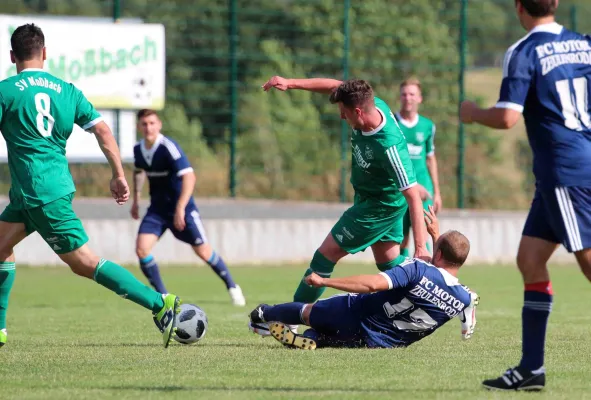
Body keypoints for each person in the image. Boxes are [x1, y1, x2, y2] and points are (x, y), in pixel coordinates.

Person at [0, 24, 181, 349]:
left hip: (40, 196)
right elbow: (103, 132)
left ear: (12, 56)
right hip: (37, 193)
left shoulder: (6, 91)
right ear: (44, 54)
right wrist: (118, 175)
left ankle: (160, 303)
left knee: (84, 262)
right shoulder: (67, 91)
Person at [460, 0, 591, 391]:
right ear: (554, 4)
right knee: (530, 260)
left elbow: (506, 117)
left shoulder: (524, 50)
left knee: (588, 265)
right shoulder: (583, 43)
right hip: (564, 170)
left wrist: (470, 112)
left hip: (565, 171)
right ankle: (531, 368)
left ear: (519, 7)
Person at [250, 77, 430, 336]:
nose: (341, 117)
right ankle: (443, 288)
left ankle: (286, 318)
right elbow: (337, 84)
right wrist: (290, 83)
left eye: (344, 113)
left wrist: (422, 247)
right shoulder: (369, 102)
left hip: (376, 208)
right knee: (390, 265)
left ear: (357, 111)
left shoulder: (388, 146)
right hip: (375, 201)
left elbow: (413, 195)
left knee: (324, 256)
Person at [248, 206, 479, 349]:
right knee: (327, 335)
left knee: (309, 312)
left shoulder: (416, 270)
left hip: (356, 316)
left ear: (438, 253)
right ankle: (315, 339)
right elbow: (438, 273)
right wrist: (437, 236)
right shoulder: (463, 298)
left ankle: (261, 314)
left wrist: (324, 281)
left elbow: (371, 285)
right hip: (383, 343)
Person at [130, 109, 245, 306]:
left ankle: (232, 286)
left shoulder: (169, 147)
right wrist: (136, 200)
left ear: (159, 125)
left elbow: (189, 177)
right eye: (144, 124)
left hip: (182, 209)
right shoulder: (138, 149)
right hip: (157, 210)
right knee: (142, 249)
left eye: (151, 123)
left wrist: (181, 208)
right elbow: (139, 172)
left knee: (203, 252)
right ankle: (164, 297)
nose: (148, 127)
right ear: (139, 127)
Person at [395, 78, 442, 257]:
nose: (408, 98)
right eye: (404, 94)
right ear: (400, 97)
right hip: (398, 189)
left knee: (423, 236)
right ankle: (403, 278)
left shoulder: (427, 126)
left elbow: (430, 158)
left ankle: (424, 278)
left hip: (424, 188)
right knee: (400, 238)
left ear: (420, 98)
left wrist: (437, 192)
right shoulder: (391, 122)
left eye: (412, 94)